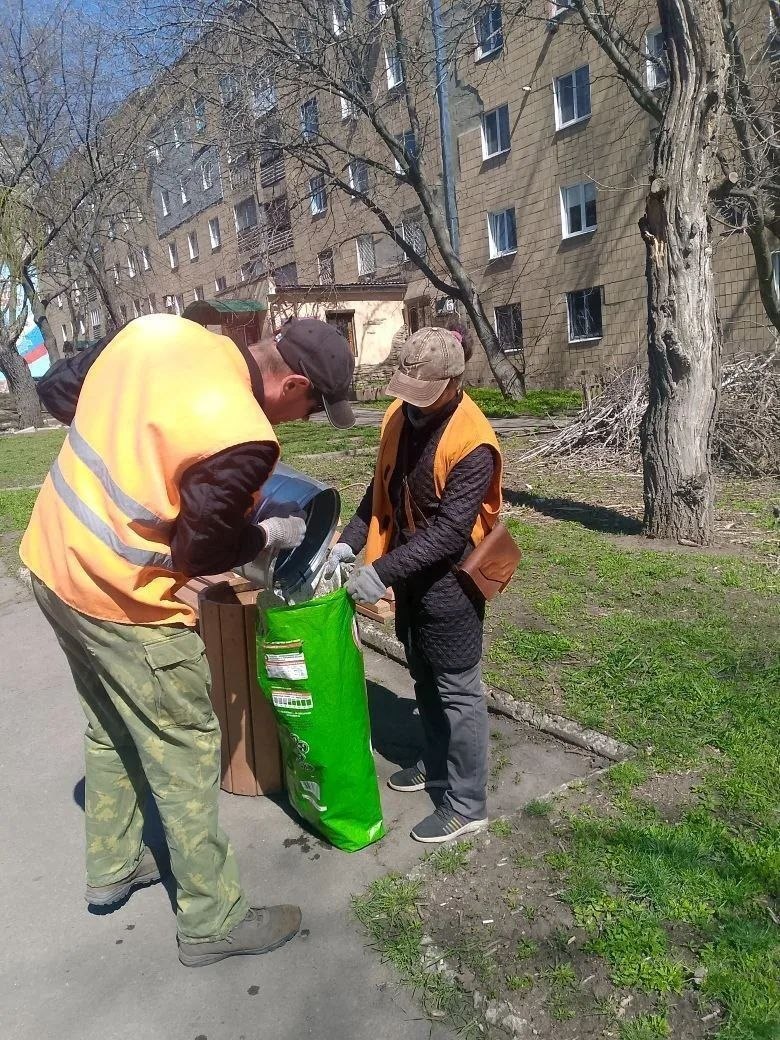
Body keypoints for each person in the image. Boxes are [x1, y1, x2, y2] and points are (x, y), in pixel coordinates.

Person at [21, 312, 355, 966]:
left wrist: (137, 447)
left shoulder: (158, 333)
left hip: (52, 559)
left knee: (109, 723)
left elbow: (60, 390)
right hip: (120, 595)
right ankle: (212, 920)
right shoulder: (241, 433)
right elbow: (200, 552)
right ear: (291, 383)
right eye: (314, 407)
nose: (305, 419)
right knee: (185, 743)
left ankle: (114, 864)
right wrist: (270, 535)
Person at [328, 327, 503, 844]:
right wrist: (350, 541)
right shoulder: (401, 414)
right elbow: (380, 486)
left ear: (453, 382)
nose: (413, 404)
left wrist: (380, 573)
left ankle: (467, 802)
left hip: (451, 584)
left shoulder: (474, 442)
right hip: (411, 575)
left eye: (424, 393)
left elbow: (451, 533)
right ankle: (436, 763)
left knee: (458, 692)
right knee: (423, 679)